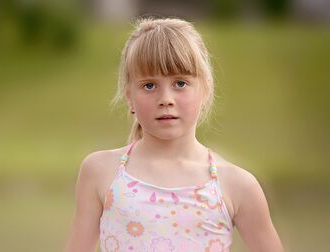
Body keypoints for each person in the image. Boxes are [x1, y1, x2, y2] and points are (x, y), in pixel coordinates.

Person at [65, 17, 284, 252]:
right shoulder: (100, 171)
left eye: (180, 83)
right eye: (149, 85)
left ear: (205, 91)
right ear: (129, 97)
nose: (166, 99)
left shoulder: (237, 185)